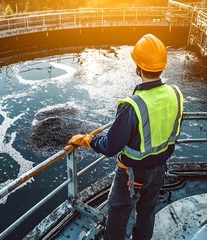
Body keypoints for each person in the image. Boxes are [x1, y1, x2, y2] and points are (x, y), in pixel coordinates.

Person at [67, 34, 183, 240]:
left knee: (119, 214)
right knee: (147, 213)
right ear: (162, 66)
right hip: (159, 169)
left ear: (137, 67)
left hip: (132, 174)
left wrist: (87, 140)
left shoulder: (133, 105)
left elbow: (111, 147)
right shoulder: (175, 93)